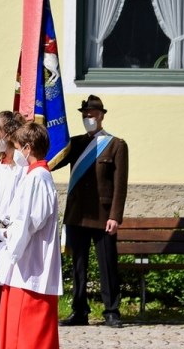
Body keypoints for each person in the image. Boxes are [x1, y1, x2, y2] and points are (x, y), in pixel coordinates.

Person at [52, 95, 129, 328]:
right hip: (77, 214)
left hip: (103, 215)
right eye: (85, 116)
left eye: (92, 115)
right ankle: (79, 311)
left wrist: (115, 216)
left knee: (107, 264)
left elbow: (120, 184)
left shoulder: (116, 145)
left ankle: (111, 311)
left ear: (102, 116)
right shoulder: (75, 144)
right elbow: (52, 160)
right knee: (78, 266)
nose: (89, 119)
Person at [0, 122, 62, 349]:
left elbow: (27, 222)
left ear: (27, 148)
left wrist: (8, 243)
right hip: (24, 256)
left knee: (29, 316)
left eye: (16, 147)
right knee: (16, 316)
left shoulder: (37, 178)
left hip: (30, 260)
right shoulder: (33, 176)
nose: (15, 153)